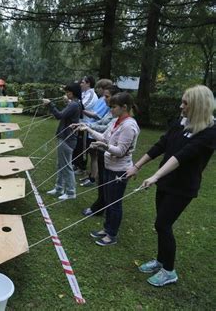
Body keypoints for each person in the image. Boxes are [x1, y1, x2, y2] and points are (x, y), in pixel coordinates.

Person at [126, 85, 215, 287]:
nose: (181, 106)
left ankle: (169, 271)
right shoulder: (181, 123)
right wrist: (137, 166)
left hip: (183, 187)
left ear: (198, 106)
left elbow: (182, 156)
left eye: (185, 103)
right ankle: (160, 260)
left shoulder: (210, 131)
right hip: (166, 182)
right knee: (161, 223)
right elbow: (162, 145)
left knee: (162, 224)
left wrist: (155, 176)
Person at [75, 92, 140, 246]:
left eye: (113, 107)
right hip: (108, 166)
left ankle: (112, 235)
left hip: (119, 170)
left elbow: (120, 151)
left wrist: (105, 147)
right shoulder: (116, 121)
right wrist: (88, 129)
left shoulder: (129, 126)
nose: (110, 110)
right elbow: (104, 137)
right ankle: (107, 228)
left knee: (114, 203)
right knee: (108, 200)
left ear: (124, 107)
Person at [81, 85, 120, 217]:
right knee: (102, 182)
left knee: (107, 185)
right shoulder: (111, 112)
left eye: (107, 96)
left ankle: (100, 209)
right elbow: (103, 128)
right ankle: (100, 207)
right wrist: (87, 126)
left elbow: (105, 130)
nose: (104, 99)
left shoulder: (118, 116)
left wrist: (87, 126)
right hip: (105, 152)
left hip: (113, 157)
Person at [44, 82, 82, 200]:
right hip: (65, 137)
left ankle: (70, 192)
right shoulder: (75, 103)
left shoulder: (74, 105)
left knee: (66, 166)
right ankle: (59, 188)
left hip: (67, 138)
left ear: (73, 93)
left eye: (68, 92)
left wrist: (50, 104)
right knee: (61, 164)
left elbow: (59, 115)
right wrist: (66, 101)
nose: (66, 94)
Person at [79, 79, 113, 187]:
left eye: (99, 88)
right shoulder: (101, 99)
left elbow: (97, 116)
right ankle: (91, 175)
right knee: (92, 154)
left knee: (95, 156)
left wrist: (82, 110)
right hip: (92, 130)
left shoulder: (105, 101)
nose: (97, 90)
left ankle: (93, 178)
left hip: (96, 132)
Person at [73, 75, 98, 174]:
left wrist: (72, 103)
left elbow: (83, 106)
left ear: (88, 83)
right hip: (80, 123)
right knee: (77, 145)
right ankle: (76, 164)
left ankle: (82, 167)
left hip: (86, 124)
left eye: (83, 82)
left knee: (83, 147)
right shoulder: (84, 93)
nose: (81, 84)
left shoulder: (91, 94)